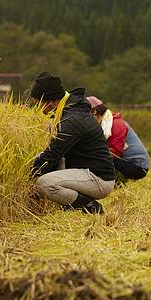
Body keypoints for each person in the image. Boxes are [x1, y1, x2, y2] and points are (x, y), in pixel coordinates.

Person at [30, 72, 115, 213]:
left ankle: (88, 205)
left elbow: (53, 155)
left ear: (53, 102)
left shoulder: (73, 120)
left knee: (43, 183)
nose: (38, 111)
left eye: (39, 105)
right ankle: (73, 200)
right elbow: (51, 155)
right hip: (83, 169)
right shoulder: (71, 110)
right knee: (39, 157)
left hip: (99, 178)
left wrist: (30, 179)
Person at [87, 96, 150, 181]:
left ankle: (116, 182)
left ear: (95, 112)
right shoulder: (107, 123)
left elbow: (114, 152)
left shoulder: (116, 124)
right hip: (127, 161)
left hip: (138, 167)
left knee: (103, 158)